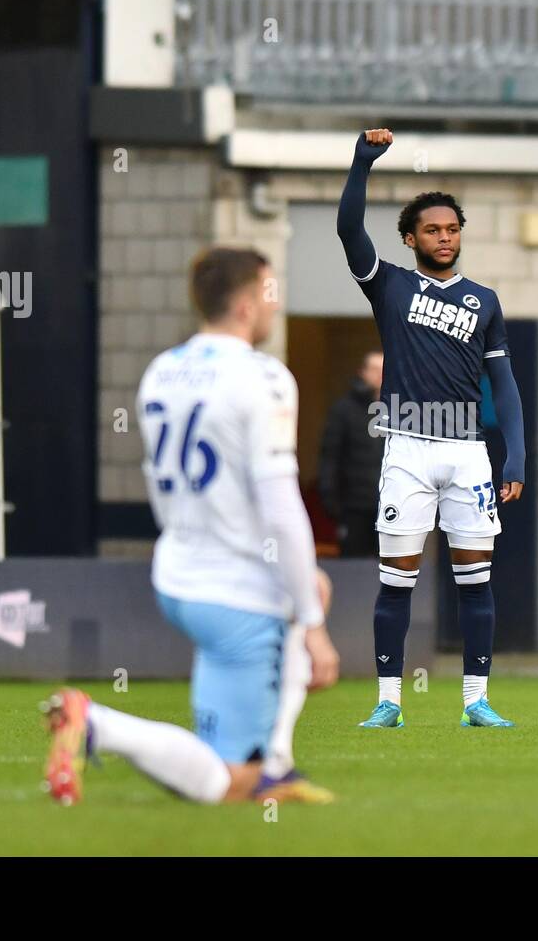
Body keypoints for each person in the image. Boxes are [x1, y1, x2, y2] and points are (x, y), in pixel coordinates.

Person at [41, 246, 340, 805]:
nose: (278, 304)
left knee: (307, 586)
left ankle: (276, 763)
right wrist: (315, 623)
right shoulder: (265, 378)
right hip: (237, 592)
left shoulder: (164, 370)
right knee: (227, 785)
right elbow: (280, 506)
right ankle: (97, 723)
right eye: (271, 292)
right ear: (248, 304)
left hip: (179, 574)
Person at [337, 127, 527, 729]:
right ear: (410, 238)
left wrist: (514, 458)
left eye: (452, 229)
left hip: (469, 454)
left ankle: (476, 702)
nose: (444, 238)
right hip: (408, 450)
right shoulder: (388, 284)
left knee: (475, 581)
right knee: (397, 583)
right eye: (432, 230)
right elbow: (347, 231)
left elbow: (505, 387)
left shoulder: (484, 302)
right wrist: (361, 162)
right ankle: (389, 700)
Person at [317, 350, 386, 557]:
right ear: (362, 372)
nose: (380, 375)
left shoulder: (400, 409)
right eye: (374, 369)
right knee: (355, 570)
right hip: (354, 508)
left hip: (391, 508)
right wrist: (331, 501)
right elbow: (329, 456)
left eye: (384, 369)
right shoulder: (344, 410)